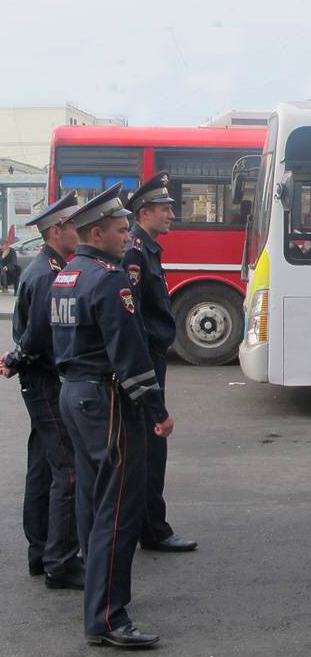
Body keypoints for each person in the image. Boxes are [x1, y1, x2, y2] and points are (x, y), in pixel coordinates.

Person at [52, 182, 174, 648]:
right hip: (107, 401)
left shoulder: (67, 274)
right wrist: (157, 410)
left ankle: (98, 600)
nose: (128, 237)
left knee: (92, 503)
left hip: (75, 396)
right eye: (122, 230)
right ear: (97, 232)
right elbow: (129, 353)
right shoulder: (108, 278)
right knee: (118, 510)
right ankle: (107, 617)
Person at [1, 192, 83, 589]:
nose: (78, 233)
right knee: (67, 469)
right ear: (56, 231)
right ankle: (61, 561)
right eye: (73, 227)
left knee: (42, 467)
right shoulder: (51, 274)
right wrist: (17, 358)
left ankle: (40, 552)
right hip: (47, 382)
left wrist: (17, 358)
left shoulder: (43, 268)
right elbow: (38, 336)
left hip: (38, 380)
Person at [122, 172, 197, 553]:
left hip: (152, 358)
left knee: (152, 447)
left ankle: (150, 525)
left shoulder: (145, 248)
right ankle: (153, 530)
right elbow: (131, 317)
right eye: (165, 209)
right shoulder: (135, 252)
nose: (172, 214)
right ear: (144, 211)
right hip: (146, 360)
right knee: (152, 445)